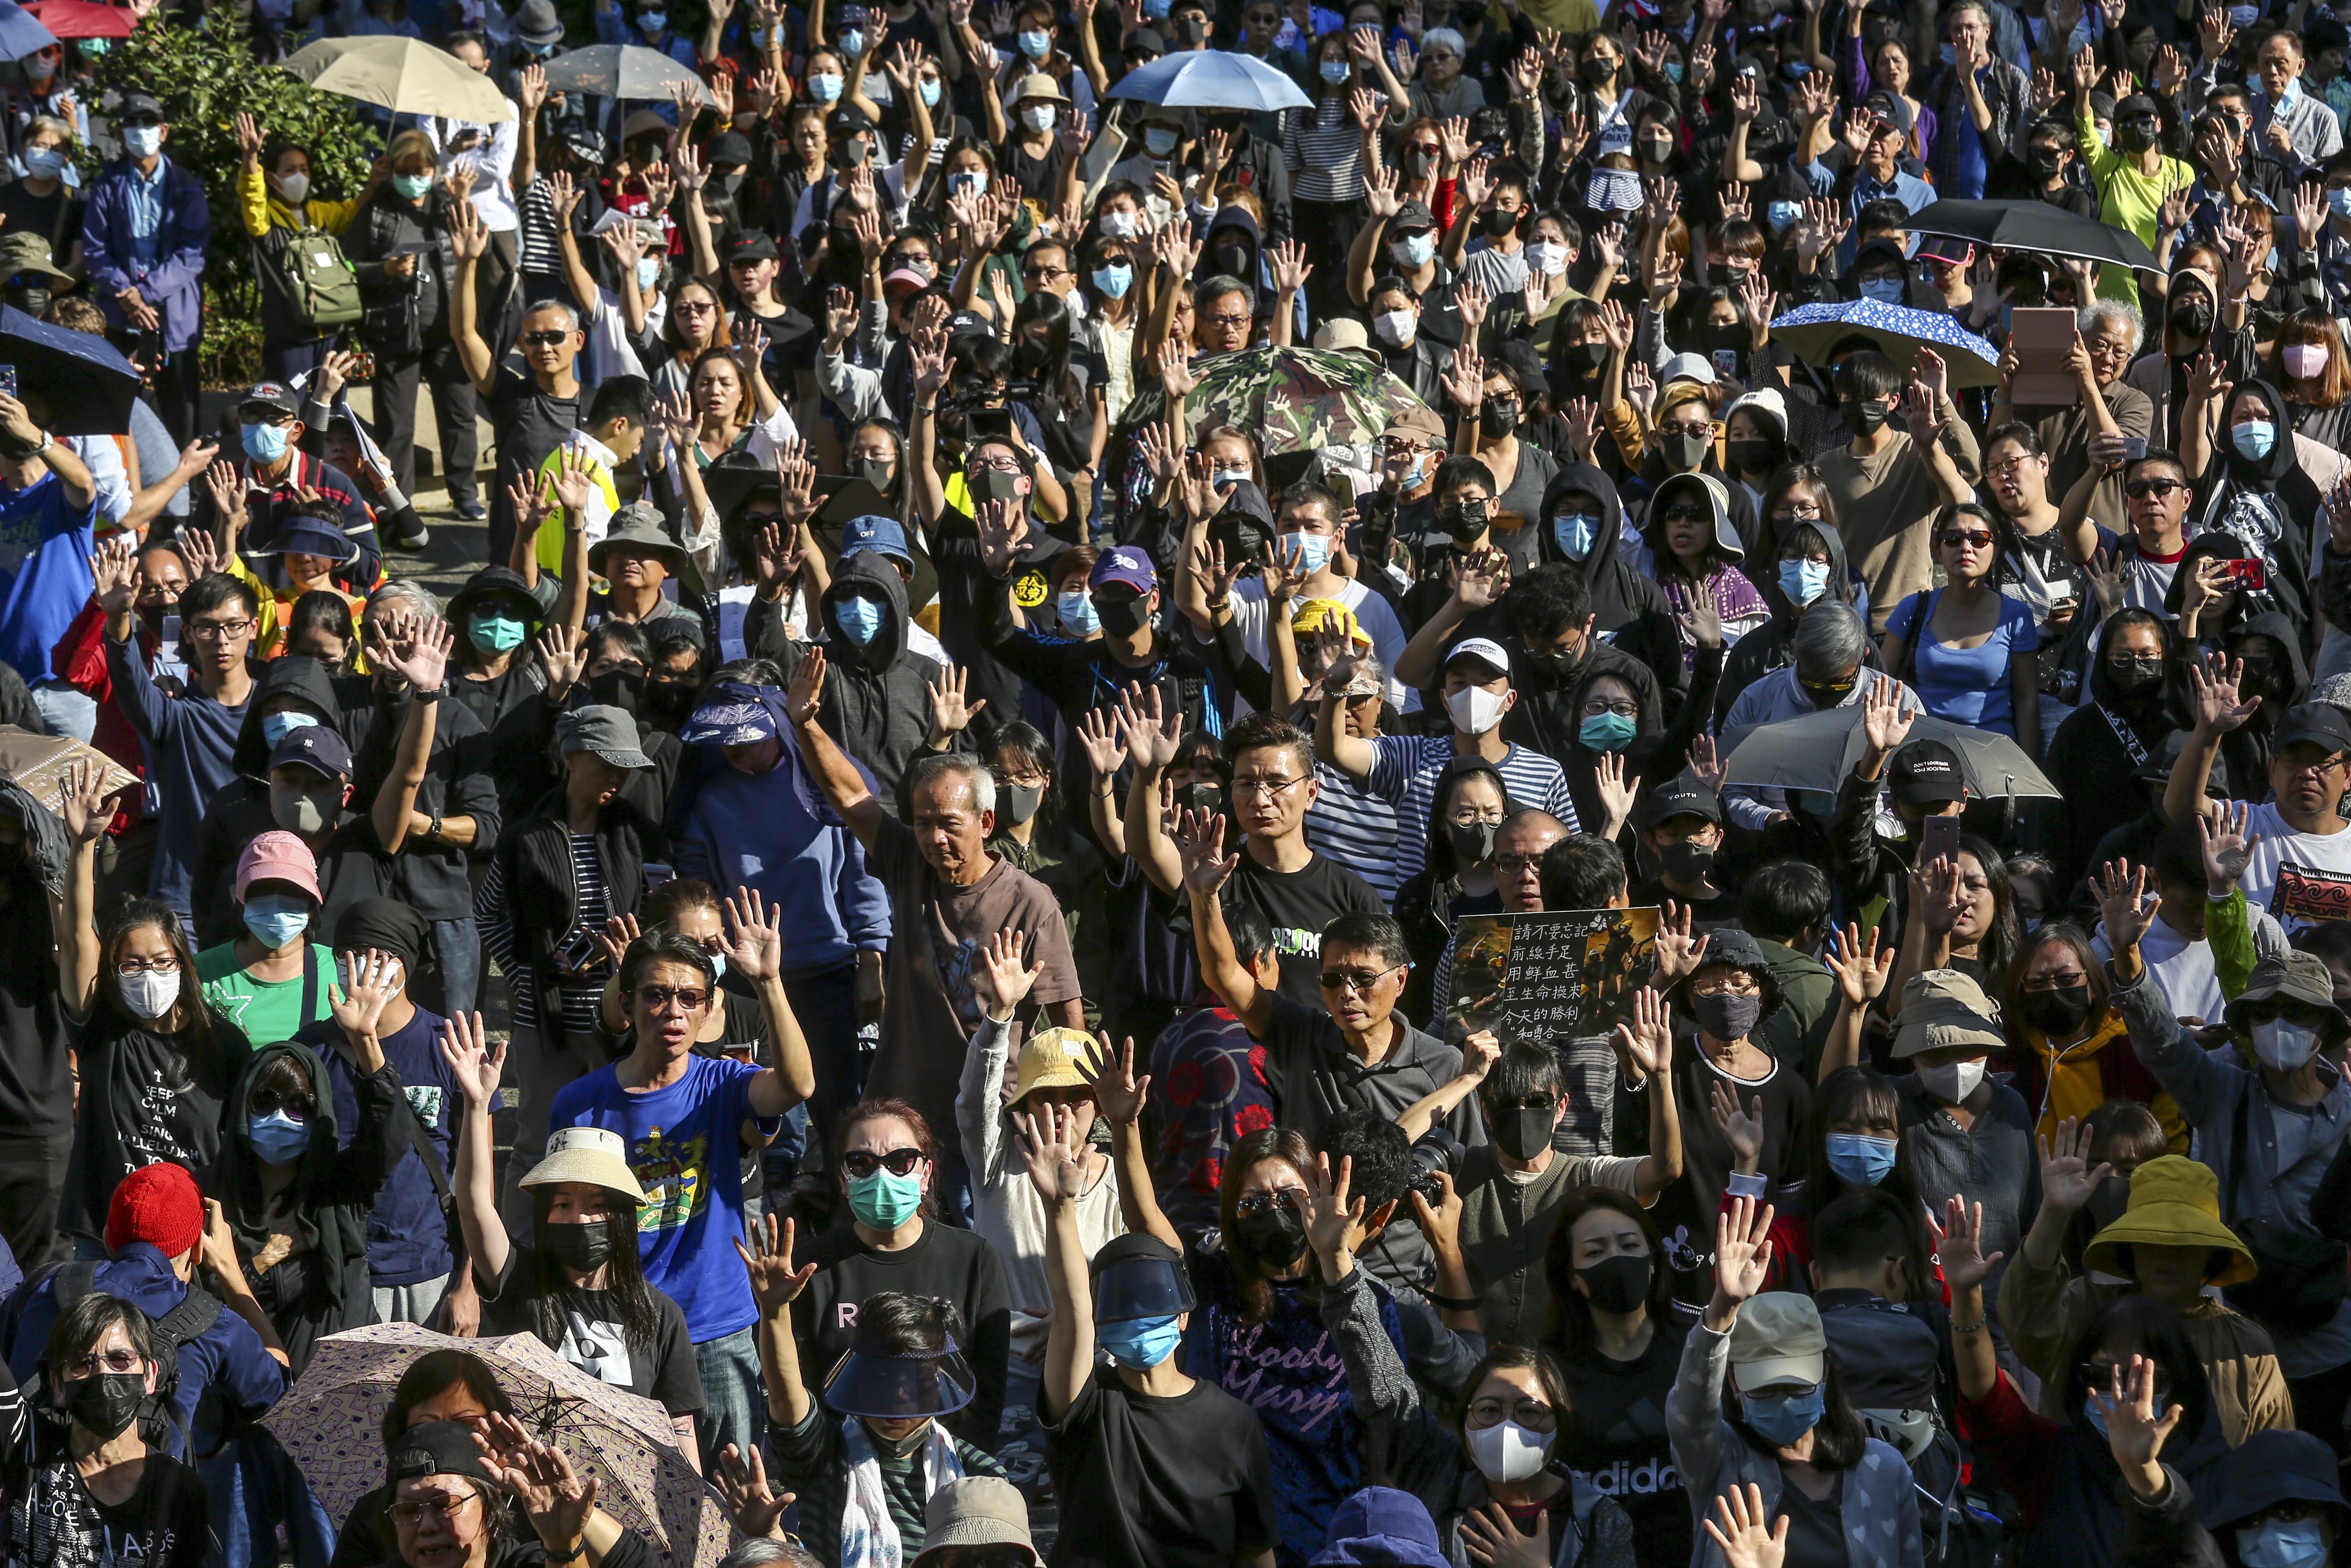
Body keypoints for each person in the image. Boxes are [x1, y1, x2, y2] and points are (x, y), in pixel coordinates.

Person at [788, 651, 1084, 1206]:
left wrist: (1071, 1121)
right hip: (902, 1121)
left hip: (988, 1126)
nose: (934, 839)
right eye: (923, 824)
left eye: (949, 824)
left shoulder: (1031, 901)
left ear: (985, 823)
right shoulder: (908, 864)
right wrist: (805, 724)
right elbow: (851, 796)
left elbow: (1068, 1020)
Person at [546, 912, 815, 1469]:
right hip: (617, 1326)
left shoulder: (722, 1083)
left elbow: (797, 1085)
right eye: (657, 995)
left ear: (710, 1008)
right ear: (626, 1004)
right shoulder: (578, 1101)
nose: (674, 1010)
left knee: (733, 1491)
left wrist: (767, 982)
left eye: (691, 998)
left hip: (716, 1324)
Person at [1024, 1102, 1282, 1568]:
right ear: (1101, 1320)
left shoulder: (1234, 1423)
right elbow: (1072, 1311)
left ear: (1185, 1315)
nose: (1138, 1312)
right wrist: (1060, 1210)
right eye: (1121, 1301)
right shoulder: (1085, 1409)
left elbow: (1255, 1552)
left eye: (1153, 1297)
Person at [1666, 1200, 1923, 1568]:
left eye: (1797, 1387)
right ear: (1735, 1384)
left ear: (1826, 1372)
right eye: (1765, 1390)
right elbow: (1689, 1410)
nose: (1783, 1401)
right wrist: (1722, 1309)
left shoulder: (1884, 1469)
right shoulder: (1722, 1462)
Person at [1999, 1125, 2292, 1446]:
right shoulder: (2088, 1308)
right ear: (2129, 1247)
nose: (2169, 1254)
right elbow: (2028, 1326)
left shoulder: (2247, 1347)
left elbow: (2274, 1458)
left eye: (2187, 1241)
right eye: (2152, 1238)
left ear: (2211, 1254)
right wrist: (2053, 1214)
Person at [956, 927, 1124, 1394]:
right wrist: (1001, 1016)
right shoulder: (998, 1162)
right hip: (1005, 1379)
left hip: (1098, 1385)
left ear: (1099, 1104)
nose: (1064, 1108)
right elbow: (974, 1102)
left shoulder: (1119, 1181)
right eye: (1047, 1095)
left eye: (1078, 1095)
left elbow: (1141, 1278)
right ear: (1024, 1106)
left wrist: (1080, 1316)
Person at [1455, 1027, 1681, 1348]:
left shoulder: (1589, 1177)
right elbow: (1397, 1154)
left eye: (1537, 1101)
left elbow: (1665, 1169)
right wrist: (1464, 1080)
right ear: (1486, 1110)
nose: (1522, 1113)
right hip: (1470, 1366)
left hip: (1562, 1371)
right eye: (1506, 1102)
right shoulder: (1460, 1169)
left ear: (1560, 1107)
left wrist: (1660, 1076)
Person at [0, 1289, 212, 1568]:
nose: (103, 1374)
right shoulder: (28, 1446)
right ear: (58, 1386)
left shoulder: (181, 1490)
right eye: (82, 1363)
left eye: (120, 1360)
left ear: (150, 1377)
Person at [1544, 1188, 1696, 1568]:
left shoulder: (1698, 1351)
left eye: (1629, 1245)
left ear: (1653, 1262)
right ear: (1573, 1278)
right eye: (1595, 1252)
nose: (1616, 1258)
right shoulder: (1546, 1372)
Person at [80, 92, 210, 443]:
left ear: (164, 132)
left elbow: (193, 253)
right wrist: (130, 297)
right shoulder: (108, 184)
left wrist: (147, 294)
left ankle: (189, 491)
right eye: (132, 124)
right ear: (121, 134)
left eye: (149, 123)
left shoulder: (186, 185)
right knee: (118, 416)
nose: (141, 131)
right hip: (121, 316)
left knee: (182, 416)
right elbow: (95, 250)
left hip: (175, 319)